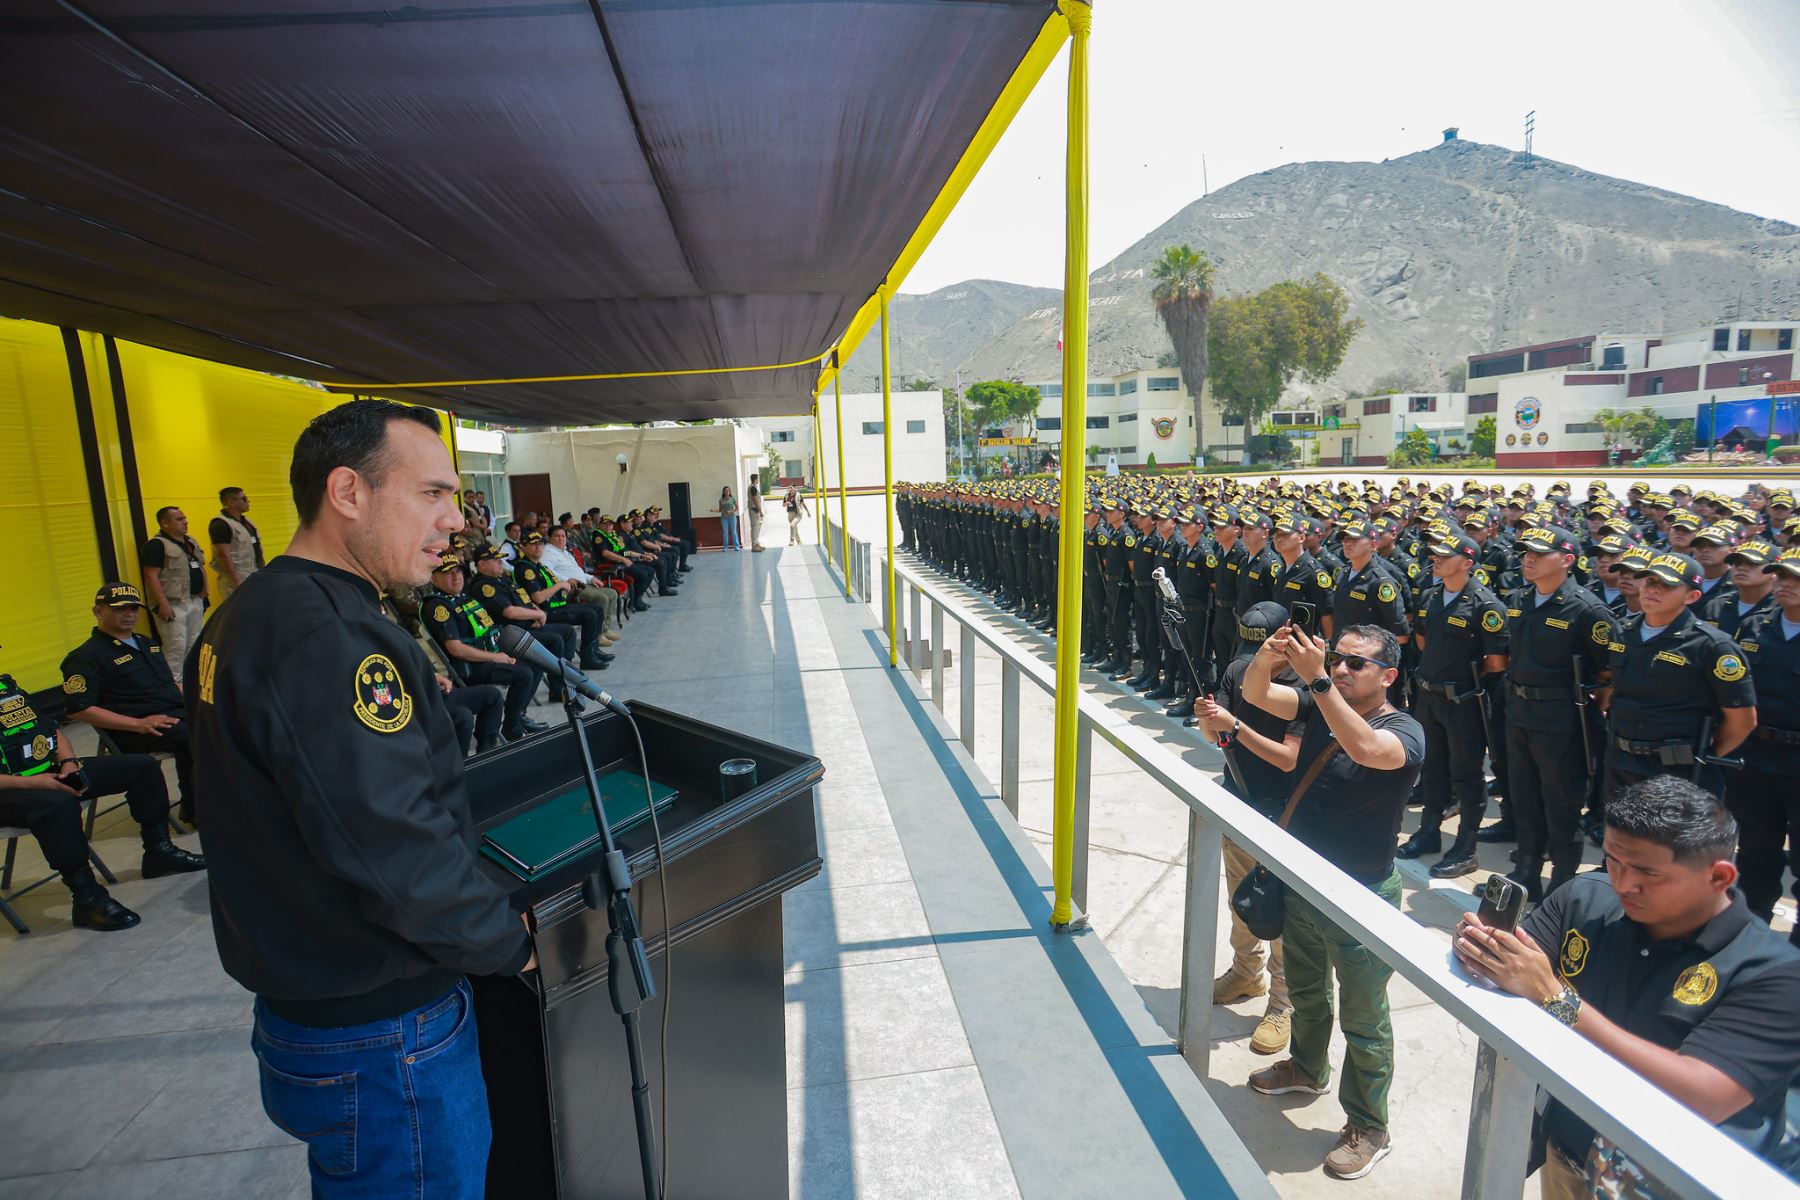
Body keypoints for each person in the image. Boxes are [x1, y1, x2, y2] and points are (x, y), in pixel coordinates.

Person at [187, 398, 538, 1197]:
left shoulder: (253, 615)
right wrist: (504, 942)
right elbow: (389, 844)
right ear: (348, 492)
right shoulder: (328, 638)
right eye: (432, 494)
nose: (455, 521)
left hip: (316, 1002)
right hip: (383, 1032)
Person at [1455, 776, 1800, 1196]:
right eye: (1614, 860)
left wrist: (1557, 999)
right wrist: (1482, 948)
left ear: (1719, 877)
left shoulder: (1775, 973)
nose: (1623, 884)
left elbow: (1703, 1096)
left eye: (1647, 873)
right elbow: (1507, 970)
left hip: (1676, 1180)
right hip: (1572, 1149)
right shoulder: (1586, 900)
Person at [1240, 622, 1425, 1181]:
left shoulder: (1405, 729)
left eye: (1356, 664)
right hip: (1304, 884)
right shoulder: (1322, 702)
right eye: (1337, 658)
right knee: (1306, 991)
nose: (1342, 669)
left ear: (1388, 675)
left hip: (1362, 895)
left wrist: (1319, 680)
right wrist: (1268, 659)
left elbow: (1367, 749)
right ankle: (1306, 1066)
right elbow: (1255, 694)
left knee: (1365, 1019)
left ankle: (1369, 1125)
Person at [0, 650, 203, 930]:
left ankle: (159, 852)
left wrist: (69, 762)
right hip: (10, 789)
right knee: (56, 803)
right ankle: (86, 897)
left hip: (47, 773)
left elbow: (50, 731)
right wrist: (37, 782)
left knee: (141, 767)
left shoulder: (7, 688)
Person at [1191, 601, 1302, 1055]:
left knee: (1282, 913)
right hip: (1238, 801)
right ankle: (1244, 973)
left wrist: (1233, 727)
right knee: (1242, 900)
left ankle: (1283, 1003)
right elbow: (1214, 740)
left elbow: (1290, 756)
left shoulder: (1302, 685)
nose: (1256, 653)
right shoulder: (1238, 670)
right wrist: (1208, 721)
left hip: (1285, 813)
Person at [1501, 525, 1616, 900]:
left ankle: (1562, 882)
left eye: (1538, 553)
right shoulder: (1519, 598)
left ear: (1567, 560)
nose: (1528, 559)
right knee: (1525, 798)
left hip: (1562, 721)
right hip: (1520, 714)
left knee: (1561, 804)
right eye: (1524, 553)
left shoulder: (1586, 609)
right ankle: (1526, 871)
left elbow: (1608, 672)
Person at [1596, 550, 1756, 802]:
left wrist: (1700, 755)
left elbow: (1742, 720)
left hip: (1677, 771)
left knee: (1669, 842)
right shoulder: (1622, 630)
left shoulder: (1711, 645)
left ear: (1692, 596)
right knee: (1621, 840)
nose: (1654, 590)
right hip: (1622, 761)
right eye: (1649, 581)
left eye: (1666, 585)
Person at [1399, 529, 1509, 878]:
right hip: (1429, 697)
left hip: (1463, 702)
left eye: (1445, 556)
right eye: (1435, 555)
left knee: (1467, 775)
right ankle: (1429, 831)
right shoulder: (1432, 596)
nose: (1436, 560)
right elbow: (1421, 640)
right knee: (1431, 769)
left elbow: (1496, 662)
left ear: (1467, 562)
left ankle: (1466, 847)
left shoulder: (1486, 605)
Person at [61, 583, 197, 825]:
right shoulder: (85, 657)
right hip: (134, 729)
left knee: (223, 723)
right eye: (120, 609)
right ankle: (195, 808)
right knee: (194, 736)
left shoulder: (147, 643)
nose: (129, 614)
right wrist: (138, 724)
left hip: (173, 716)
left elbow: (168, 683)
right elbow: (79, 708)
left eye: (134, 608)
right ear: (98, 612)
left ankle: (221, 799)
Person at [1732, 547, 1800, 940]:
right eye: (1781, 576)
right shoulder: (1756, 626)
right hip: (1757, 758)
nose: (1786, 584)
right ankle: (1752, 933)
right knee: (1756, 852)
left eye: (1796, 578)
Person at [420, 552, 548, 743]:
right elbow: (456, 649)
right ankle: (511, 726)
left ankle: (518, 715)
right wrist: (498, 658)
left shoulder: (463, 599)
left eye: (459, 572)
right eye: (449, 573)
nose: (456, 577)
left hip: (489, 654)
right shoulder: (438, 607)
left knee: (536, 660)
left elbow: (487, 629)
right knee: (524, 674)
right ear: (434, 578)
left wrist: (503, 651)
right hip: (468, 667)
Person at [140, 505, 208, 685]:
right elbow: (150, 575)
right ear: (165, 524)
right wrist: (163, 604)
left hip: (194, 601)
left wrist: (204, 590)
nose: (185, 522)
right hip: (173, 605)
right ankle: (175, 688)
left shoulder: (190, 542)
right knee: (175, 649)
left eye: (185, 518)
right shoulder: (156, 545)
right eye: (179, 519)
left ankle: (194, 685)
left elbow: (200, 566)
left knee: (195, 646)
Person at [208, 486, 264, 601]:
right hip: (236, 581)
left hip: (253, 574)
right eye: (243, 498)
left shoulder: (246, 522)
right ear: (231, 502)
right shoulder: (220, 524)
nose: (248, 501)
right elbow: (223, 554)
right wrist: (236, 580)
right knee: (240, 615)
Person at [715, 486, 741, 550]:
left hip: (732, 517)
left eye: (728, 491)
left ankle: (736, 546)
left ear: (730, 492)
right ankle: (726, 547)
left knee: (734, 532)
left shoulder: (732, 499)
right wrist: (714, 510)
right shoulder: (721, 500)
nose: (727, 492)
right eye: (726, 491)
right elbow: (720, 509)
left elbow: (737, 508)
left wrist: (731, 511)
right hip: (724, 518)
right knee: (725, 533)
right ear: (723, 492)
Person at [747, 479, 765, 551]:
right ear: (756, 480)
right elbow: (755, 499)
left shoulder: (752, 487)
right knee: (755, 527)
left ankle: (757, 544)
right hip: (753, 510)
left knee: (757, 527)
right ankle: (754, 545)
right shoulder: (753, 488)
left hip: (754, 510)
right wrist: (760, 511)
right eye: (757, 480)